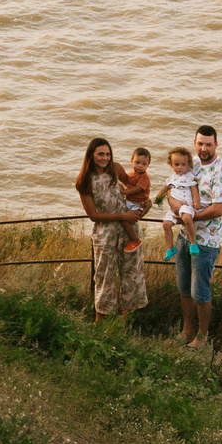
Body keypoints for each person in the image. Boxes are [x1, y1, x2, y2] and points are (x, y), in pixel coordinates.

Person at [73, 137, 148, 324]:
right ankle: (101, 322)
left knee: (131, 273)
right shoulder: (84, 181)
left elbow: (134, 185)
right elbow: (93, 215)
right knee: (104, 276)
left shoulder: (115, 168)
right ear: (91, 155)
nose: (105, 158)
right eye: (100, 154)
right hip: (105, 233)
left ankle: (125, 323)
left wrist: (146, 201)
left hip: (128, 229)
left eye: (107, 154)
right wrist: (123, 216)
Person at [177, 125, 222, 347]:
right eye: (200, 143)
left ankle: (202, 336)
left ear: (216, 144)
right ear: (194, 142)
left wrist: (190, 216)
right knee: (183, 288)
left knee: (199, 291)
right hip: (184, 235)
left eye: (208, 144)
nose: (204, 148)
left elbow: (219, 209)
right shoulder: (192, 166)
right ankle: (187, 330)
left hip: (206, 241)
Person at [159, 146, 197, 262]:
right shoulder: (171, 179)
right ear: (171, 165)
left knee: (186, 217)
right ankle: (170, 249)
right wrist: (157, 199)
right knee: (166, 224)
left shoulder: (189, 177)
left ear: (188, 164)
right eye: (176, 165)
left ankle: (193, 243)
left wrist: (197, 202)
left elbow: (194, 189)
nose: (180, 167)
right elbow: (164, 190)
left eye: (183, 164)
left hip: (186, 205)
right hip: (173, 207)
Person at [123, 148, 155, 258]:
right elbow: (126, 181)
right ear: (131, 160)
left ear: (148, 165)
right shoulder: (131, 174)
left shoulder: (144, 177)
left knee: (126, 220)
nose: (140, 166)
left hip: (139, 204)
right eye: (137, 162)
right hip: (130, 201)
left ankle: (135, 240)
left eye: (144, 164)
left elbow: (137, 189)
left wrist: (123, 191)